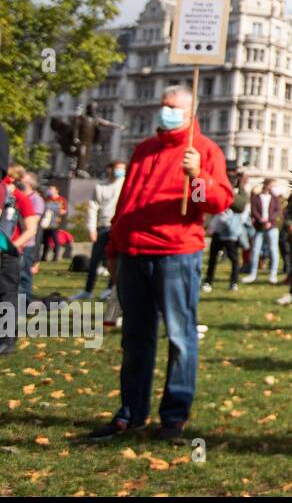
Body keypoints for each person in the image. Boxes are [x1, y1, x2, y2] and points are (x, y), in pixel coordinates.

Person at [87, 85, 233, 442]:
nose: (164, 111)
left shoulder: (204, 151)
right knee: (136, 338)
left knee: (181, 337)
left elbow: (216, 203)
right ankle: (131, 412)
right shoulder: (144, 150)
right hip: (134, 254)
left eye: (172, 107)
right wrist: (115, 247)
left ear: (189, 112)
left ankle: (174, 417)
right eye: (163, 105)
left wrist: (197, 176)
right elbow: (128, 202)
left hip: (176, 253)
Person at [70, 159, 127, 302]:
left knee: (114, 259)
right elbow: (92, 208)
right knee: (95, 258)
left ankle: (110, 288)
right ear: (110, 169)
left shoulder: (125, 184)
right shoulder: (100, 187)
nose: (120, 172)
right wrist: (91, 228)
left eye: (123, 169)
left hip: (119, 226)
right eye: (118, 169)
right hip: (103, 225)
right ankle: (88, 290)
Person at [1, 163, 40, 356]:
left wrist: (13, 246)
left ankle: (6, 339)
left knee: (7, 294)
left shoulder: (20, 198)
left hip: (9, 254)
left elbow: (31, 228)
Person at [245, 179, 283, 284]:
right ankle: (253, 273)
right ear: (267, 185)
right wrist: (261, 219)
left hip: (272, 227)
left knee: (273, 250)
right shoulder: (256, 198)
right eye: (273, 185)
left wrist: (270, 221)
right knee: (256, 250)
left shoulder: (275, 198)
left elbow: (278, 211)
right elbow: (254, 211)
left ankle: (273, 274)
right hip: (259, 227)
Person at [203, 206, 243, 291]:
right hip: (218, 234)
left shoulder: (237, 199)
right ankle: (208, 281)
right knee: (212, 259)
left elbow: (241, 206)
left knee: (234, 259)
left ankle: (233, 282)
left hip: (230, 235)